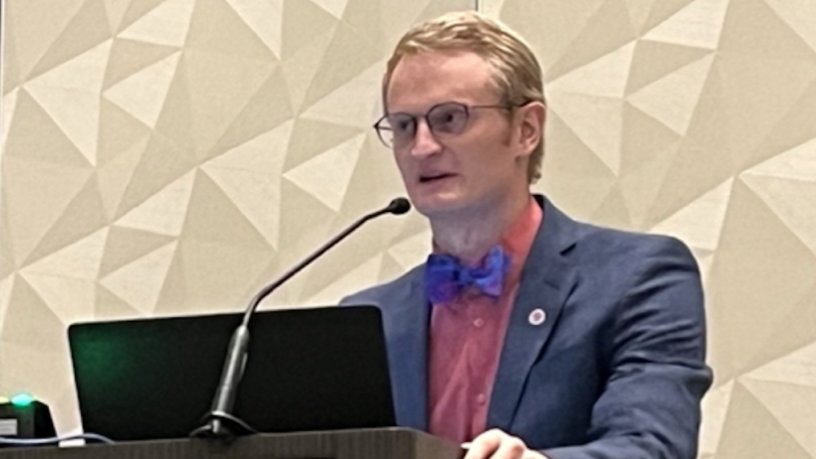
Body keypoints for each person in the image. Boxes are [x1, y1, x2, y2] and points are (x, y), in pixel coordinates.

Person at [341, 11, 712, 459]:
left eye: (449, 118)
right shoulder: (366, 318)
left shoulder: (639, 278)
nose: (422, 146)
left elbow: (654, 446)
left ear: (526, 129)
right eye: (404, 125)